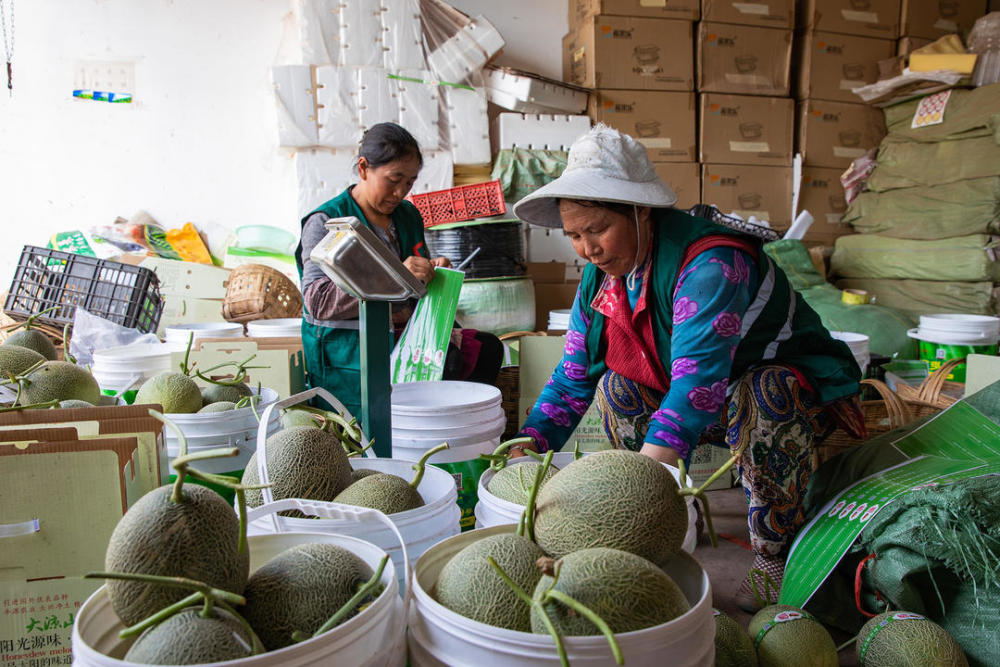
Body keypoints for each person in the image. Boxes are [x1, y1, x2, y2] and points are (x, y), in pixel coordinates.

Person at [510, 124, 866, 611]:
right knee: (618, 387)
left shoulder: (712, 262)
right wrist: (526, 446)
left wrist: (633, 483)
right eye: (573, 234)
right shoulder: (600, 277)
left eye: (597, 230)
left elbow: (698, 382)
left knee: (765, 390)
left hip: (787, 398)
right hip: (703, 401)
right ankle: (665, 521)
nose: (586, 249)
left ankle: (774, 557)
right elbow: (573, 376)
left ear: (640, 212)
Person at [294, 122, 503, 420]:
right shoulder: (327, 220)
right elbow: (317, 301)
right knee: (449, 364)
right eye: (394, 179)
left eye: (410, 182)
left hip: (403, 335)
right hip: (349, 348)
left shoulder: (406, 216)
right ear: (364, 169)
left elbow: (416, 279)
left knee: (487, 349)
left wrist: (433, 271)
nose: (400, 192)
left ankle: (460, 436)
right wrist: (392, 277)